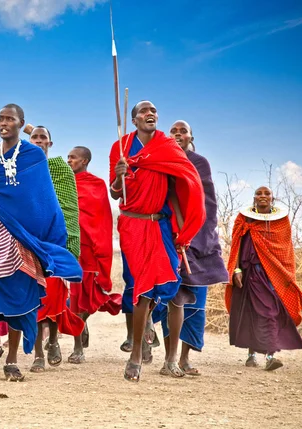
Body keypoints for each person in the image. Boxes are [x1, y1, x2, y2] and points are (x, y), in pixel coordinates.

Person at [0, 105, 83, 382]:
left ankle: (11, 360)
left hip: (23, 234)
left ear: (21, 123)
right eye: (0, 118)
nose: (4, 123)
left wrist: (46, 236)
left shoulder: (33, 155)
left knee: (19, 294)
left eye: (10, 119)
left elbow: (42, 199)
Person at [109, 101, 205, 382]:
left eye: (154, 112)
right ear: (134, 118)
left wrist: (183, 230)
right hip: (131, 225)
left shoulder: (166, 146)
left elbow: (185, 184)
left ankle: (171, 359)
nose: (150, 115)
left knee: (173, 291)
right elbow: (116, 194)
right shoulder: (121, 146)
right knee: (141, 289)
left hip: (162, 226)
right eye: (144, 112)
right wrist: (119, 177)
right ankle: (136, 354)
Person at [153, 120, 228, 376]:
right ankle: (168, 358)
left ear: (190, 136)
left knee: (194, 301)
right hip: (169, 238)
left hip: (198, 240)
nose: (177, 134)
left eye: (182, 131)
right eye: (173, 131)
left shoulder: (199, 163)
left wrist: (199, 236)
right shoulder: (161, 160)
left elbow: (207, 203)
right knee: (171, 298)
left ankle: (184, 358)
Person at [226, 186, 302, 370]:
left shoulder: (281, 221)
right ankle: (251, 355)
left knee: (269, 312)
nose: (263, 196)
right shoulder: (244, 218)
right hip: (249, 274)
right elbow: (236, 246)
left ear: (273, 198)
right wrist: (236, 270)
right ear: (254, 198)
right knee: (250, 313)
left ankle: (270, 356)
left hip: (272, 275)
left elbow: (285, 251)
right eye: (259, 193)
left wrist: (283, 275)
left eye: (267, 194)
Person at [28, 126, 85, 373]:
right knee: (35, 294)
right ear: (29, 141)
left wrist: (69, 243)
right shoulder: (21, 167)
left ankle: (52, 341)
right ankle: (38, 353)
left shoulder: (61, 170)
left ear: (50, 143)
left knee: (53, 293)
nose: (39, 140)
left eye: (43, 137)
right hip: (29, 238)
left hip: (56, 239)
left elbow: (70, 209)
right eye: (35, 137)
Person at [67, 146, 121, 364]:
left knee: (92, 298)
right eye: (68, 157)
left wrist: (101, 246)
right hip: (73, 247)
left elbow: (103, 217)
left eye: (73, 157)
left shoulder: (97, 184)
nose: (69, 160)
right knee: (77, 298)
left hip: (92, 247)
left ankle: (83, 322)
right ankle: (77, 347)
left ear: (85, 161)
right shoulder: (64, 184)